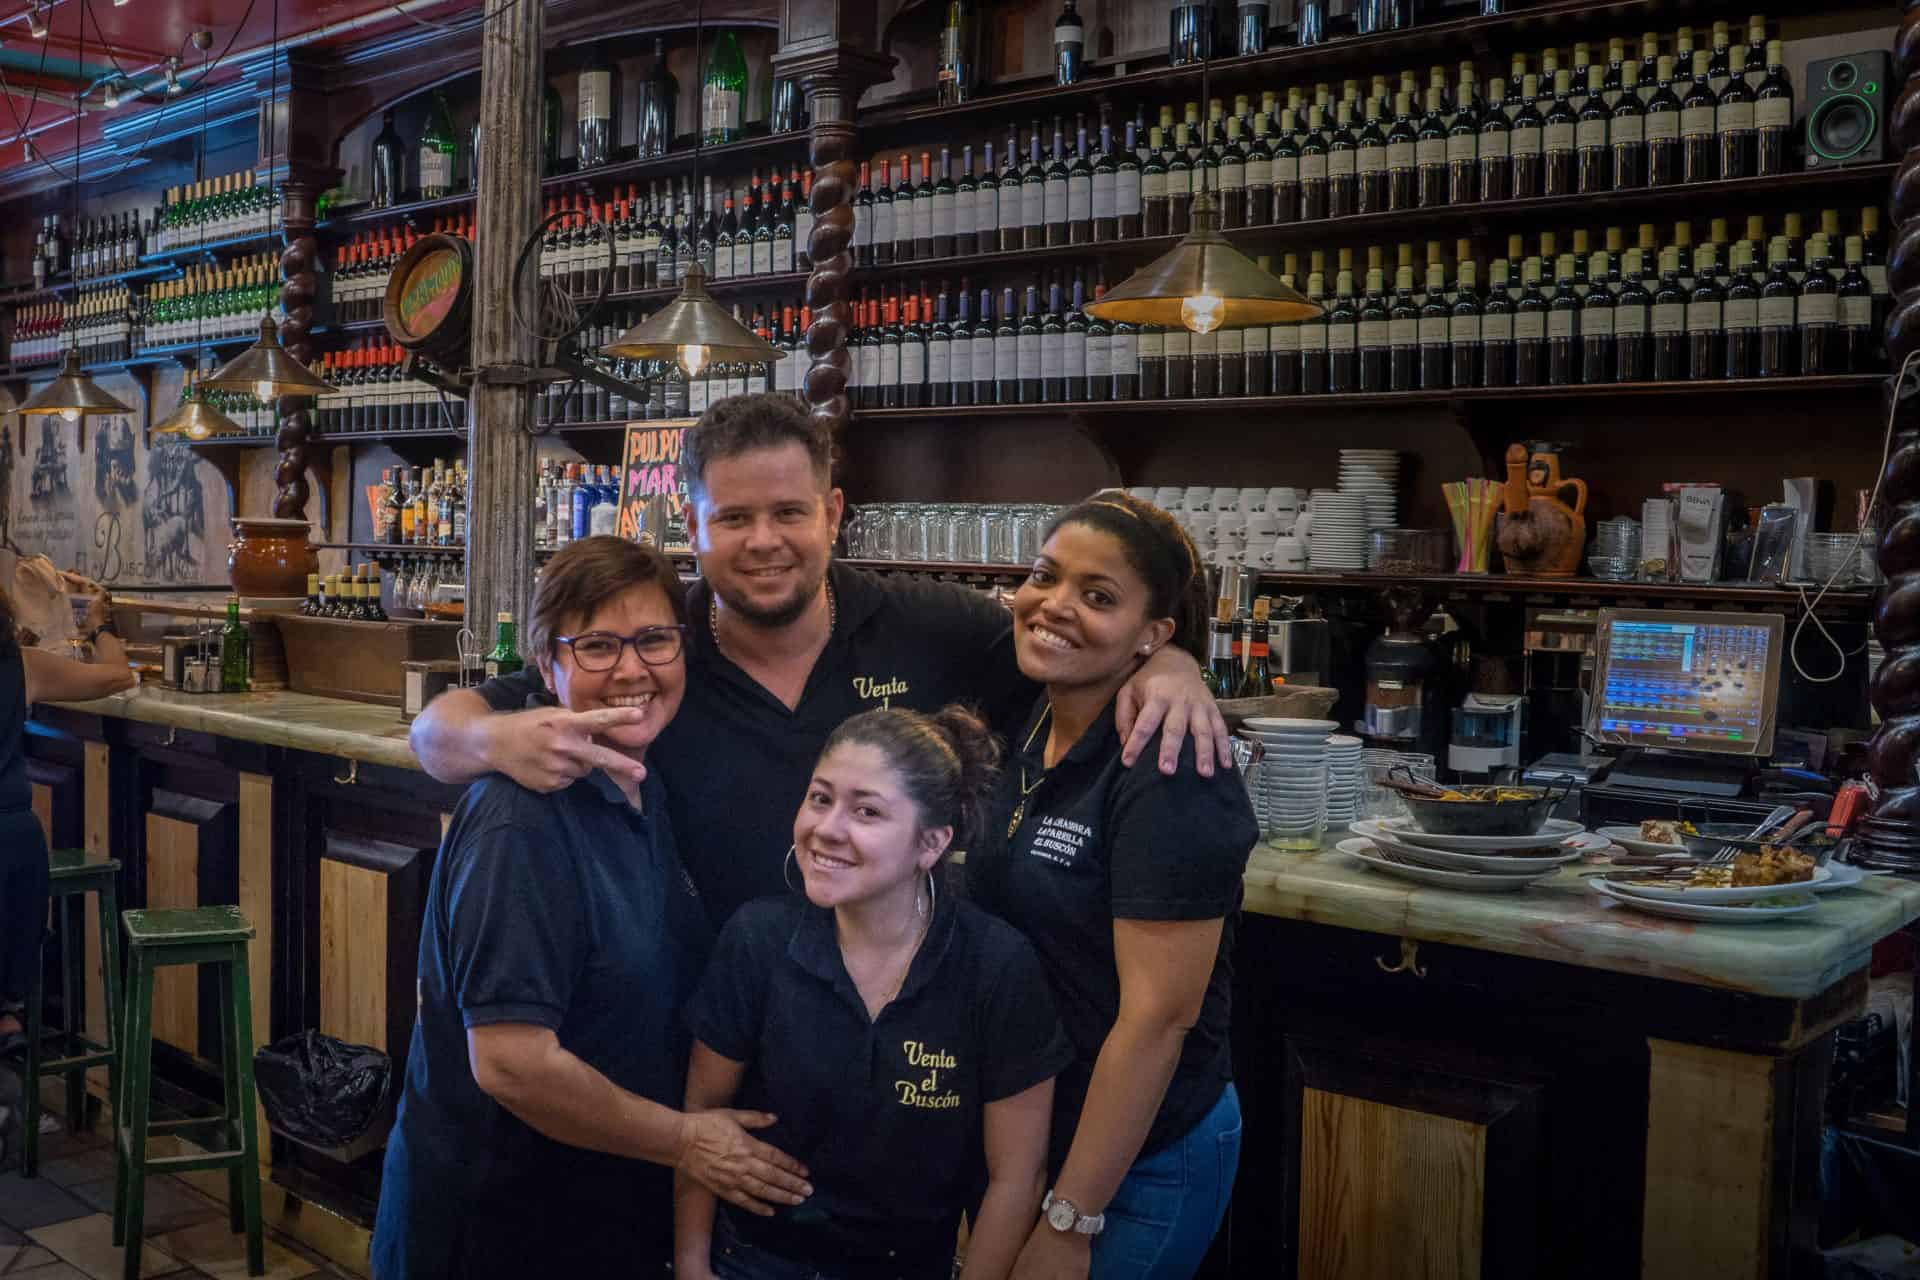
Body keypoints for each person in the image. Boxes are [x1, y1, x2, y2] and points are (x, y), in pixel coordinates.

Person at [408, 394, 1231, 927]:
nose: (764, 541)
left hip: (895, 1027)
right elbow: (437, 732)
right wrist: (491, 743)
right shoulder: (656, 650)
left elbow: (1069, 649)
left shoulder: (928, 623)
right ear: (689, 528)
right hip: (713, 1028)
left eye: (789, 512)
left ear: (832, 514)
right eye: (733, 518)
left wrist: (1169, 664)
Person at [371, 538, 810, 1280]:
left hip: (594, 1216)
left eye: (654, 641)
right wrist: (688, 1141)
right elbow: (513, 1065)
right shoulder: (522, 818)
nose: (633, 670)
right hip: (498, 1228)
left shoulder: (642, 780)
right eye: (599, 646)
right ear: (547, 666)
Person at [965, 493, 1259, 1280]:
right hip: (1034, 1141)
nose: (1055, 606)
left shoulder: (1171, 764)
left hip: (1137, 1161)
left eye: (1099, 597)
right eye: (1044, 576)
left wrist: (1070, 1219)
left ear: (1152, 632)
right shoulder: (1027, 712)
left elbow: (1159, 1021)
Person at [675, 705, 1073, 1280]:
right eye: (820, 798)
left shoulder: (996, 966)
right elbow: (701, 1117)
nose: (828, 828)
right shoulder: (756, 940)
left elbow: (1017, 1177)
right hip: (754, 1260)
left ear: (931, 844)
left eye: (866, 811)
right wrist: (692, 1268)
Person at [0, 586, 134, 1055]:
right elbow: (119, 676)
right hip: (16, 855)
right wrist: (99, 625)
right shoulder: (23, 665)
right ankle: (8, 1017)